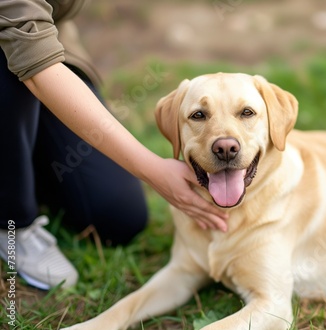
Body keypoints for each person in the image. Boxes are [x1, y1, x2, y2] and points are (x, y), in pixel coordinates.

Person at [0, 0, 227, 290]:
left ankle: (22, 162)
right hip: (18, 55)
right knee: (11, 64)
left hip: (52, 45)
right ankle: (13, 223)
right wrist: (153, 170)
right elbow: (30, 53)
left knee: (118, 217)